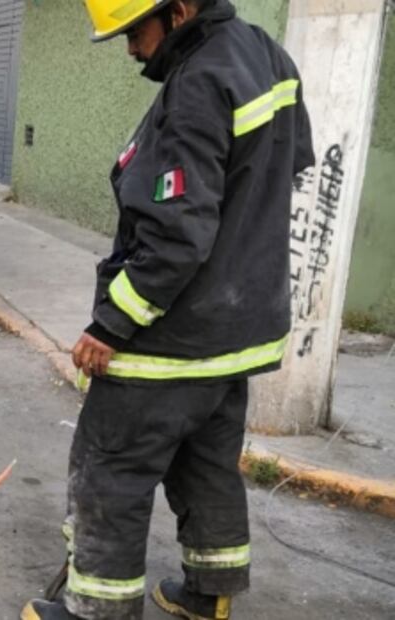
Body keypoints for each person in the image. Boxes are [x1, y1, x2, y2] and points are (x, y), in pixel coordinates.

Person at [21, 1, 313, 619]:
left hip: (173, 336)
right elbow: (287, 166)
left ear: (177, 11)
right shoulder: (266, 55)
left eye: (134, 31)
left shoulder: (196, 85)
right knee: (206, 465)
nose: (130, 48)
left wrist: (110, 325)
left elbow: (177, 236)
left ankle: (97, 610)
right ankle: (209, 596)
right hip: (238, 333)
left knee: (110, 468)